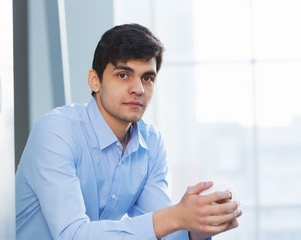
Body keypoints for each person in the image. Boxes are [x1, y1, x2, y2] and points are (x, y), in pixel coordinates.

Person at [15, 23, 242, 240]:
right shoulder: (56, 132)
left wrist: (195, 228)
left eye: (148, 78)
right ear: (95, 81)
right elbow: (73, 235)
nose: (138, 89)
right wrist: (176, 216)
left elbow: (160, 230)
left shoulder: (151, 143)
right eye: (123, 75)